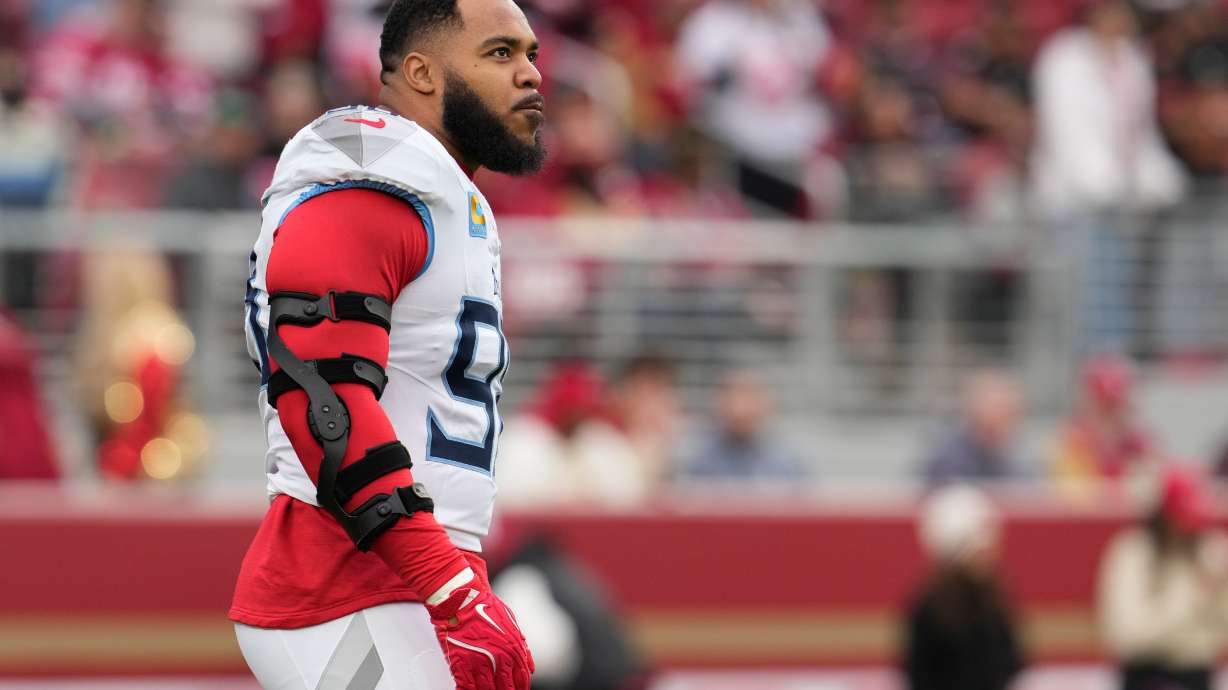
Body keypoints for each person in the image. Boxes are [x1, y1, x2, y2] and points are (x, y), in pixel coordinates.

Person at [230, 1, 544, 688]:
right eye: (500, 53)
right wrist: (450, 588)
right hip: (343, 583)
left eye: (530, 54)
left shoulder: (444, 193)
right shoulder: (373, 184)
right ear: (422, 73)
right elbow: (321, 394)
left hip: (404, 575)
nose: (529, 74)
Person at [1030, 0, 1185, 354]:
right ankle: (1082, 364)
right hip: (1073, 202)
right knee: (1080, 291)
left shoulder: (1132, 60)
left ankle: (1111, 363)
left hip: (1119, 204)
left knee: (1115, 289)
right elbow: (1068, 133)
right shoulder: (1064, 59)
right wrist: (1108, 184)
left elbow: (1139, 133)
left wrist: (1158, 179)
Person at [1097, 466, 1228, 690]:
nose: (1188, 530)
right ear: (1162, 516)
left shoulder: (1210, 552)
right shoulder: (1133, 553)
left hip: (1196, 674)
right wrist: (1193, 596)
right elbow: (1129, 635)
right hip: (1145, 676)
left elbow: (1218, 631)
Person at [902, 485, 1025, 690]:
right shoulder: (928, 609)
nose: (988, 555)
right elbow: (919, 674)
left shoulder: (995, 602)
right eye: (978, 548)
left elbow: (1012, 663)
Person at [675, 371, 808, 488]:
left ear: (765, 404)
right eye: (733, 398)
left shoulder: (787, 462)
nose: (740, 409)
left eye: (749, 398)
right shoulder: (699, 459)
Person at [1051, 355, 1155, 495]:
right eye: (1104, 408)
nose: (1113, 416)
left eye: (1116, 406)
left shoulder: (1137, 441)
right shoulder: (1073, 441)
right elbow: (1075, 495)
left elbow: (1151, 486)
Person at [922, 369, 1023, 486]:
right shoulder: (949, 460)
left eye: (1011, 413)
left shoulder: (1012, 462)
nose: (1007, 423)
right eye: (1000, 409)